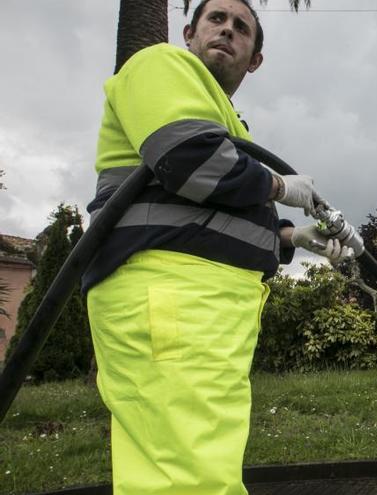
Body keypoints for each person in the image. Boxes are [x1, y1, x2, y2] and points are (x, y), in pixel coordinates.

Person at [83, 1, 341, 493]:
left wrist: (290, 237)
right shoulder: (160, 64)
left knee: (190, 469)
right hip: (171, 297)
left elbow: (209, 214)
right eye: (215, 20)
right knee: (188, 478)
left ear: (254, 59)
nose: (227, 30)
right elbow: (188, 160)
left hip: (199, 309)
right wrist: (280, 187)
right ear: (188, 33)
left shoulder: (227, 122)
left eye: (241, 28)